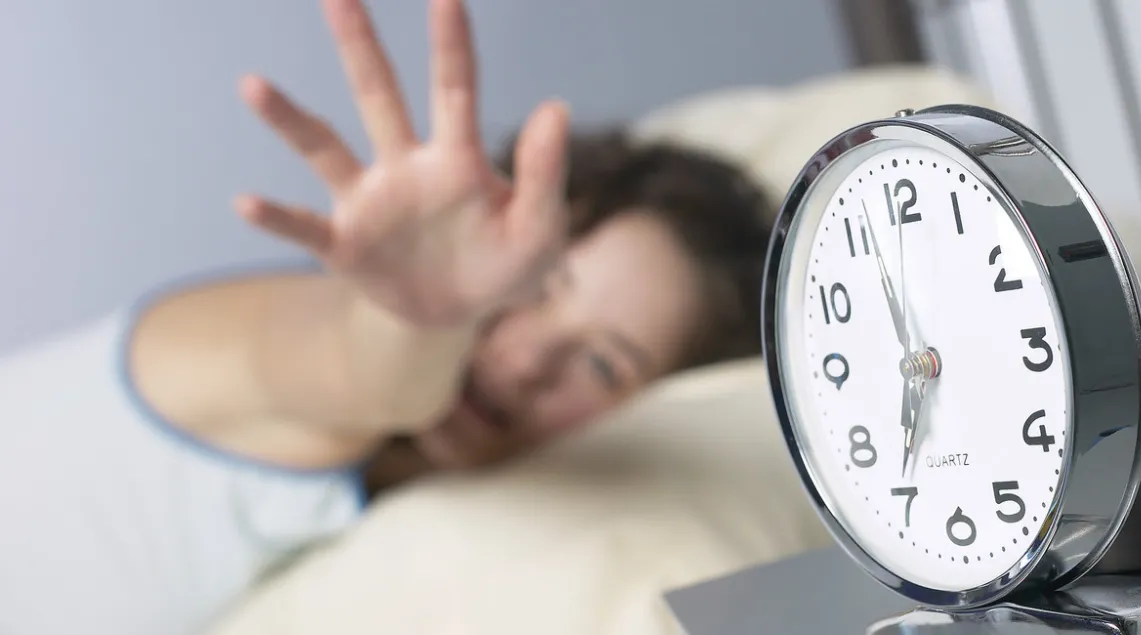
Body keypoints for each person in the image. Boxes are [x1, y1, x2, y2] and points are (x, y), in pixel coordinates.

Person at [0, 0, 773, 633]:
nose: (527, 360)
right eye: (538, 285)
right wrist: (428, 317)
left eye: (603, 365)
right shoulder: (269, 345)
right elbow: (356, 365)